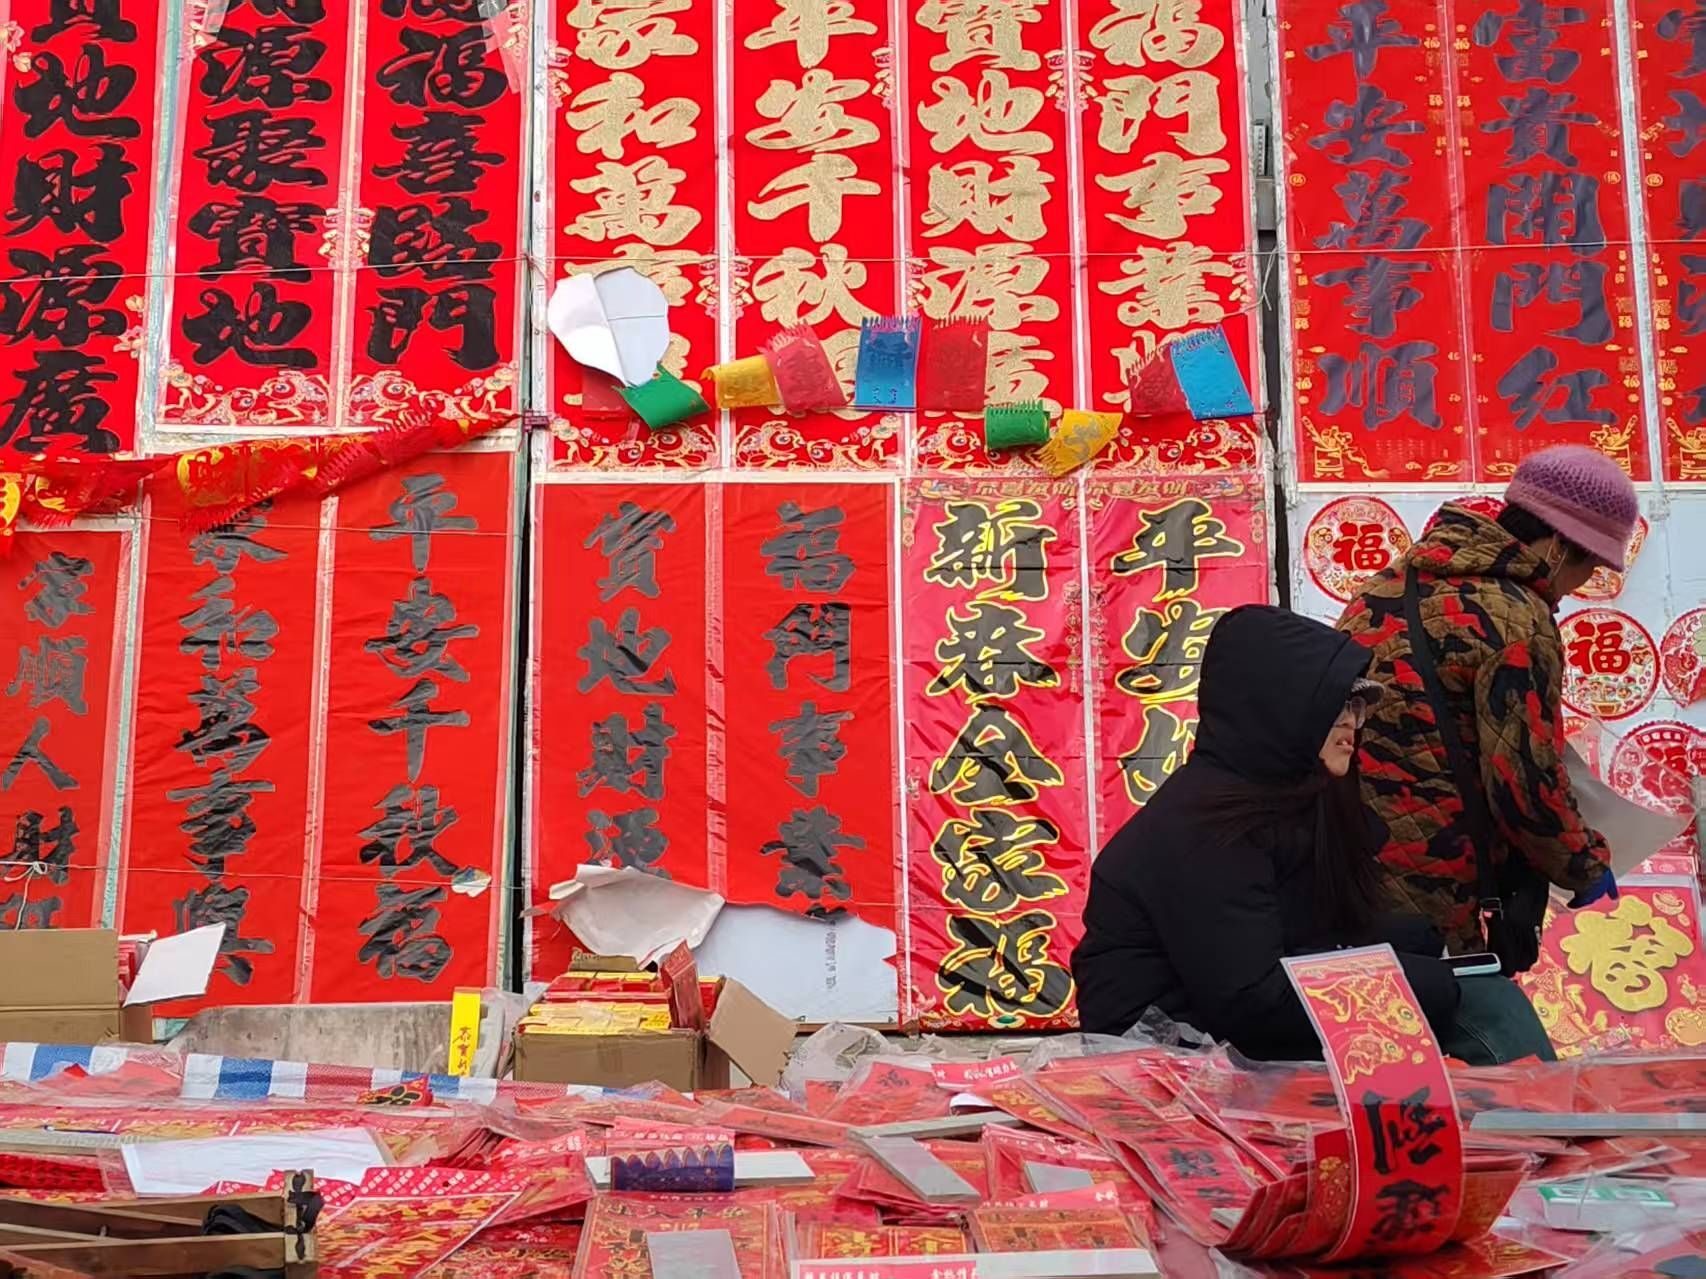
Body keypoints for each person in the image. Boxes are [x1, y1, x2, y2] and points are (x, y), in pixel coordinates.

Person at [1072, 604, 1481, 1063]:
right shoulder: (1207, 827)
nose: (1351, 722)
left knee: (1482, 1000)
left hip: (1226, 1054)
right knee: (1480, 1018)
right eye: (1335, 704)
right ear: (1280, 707)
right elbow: (1253, 1000)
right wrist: (1431, 983)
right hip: (1167, 1075)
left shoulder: (1276, 799)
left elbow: (1300, 933)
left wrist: (1423, 947)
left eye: (1356, 706)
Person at [1338, 444, 1630, 978]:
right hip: (1437, 886)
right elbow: (1521, 783)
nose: (1578, 587)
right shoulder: (1519, 620)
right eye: (1589, 567)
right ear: (1559, 547)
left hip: (1345, 866)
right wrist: (1583, 863)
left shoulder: (1382, 588)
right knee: (1466, 1025)